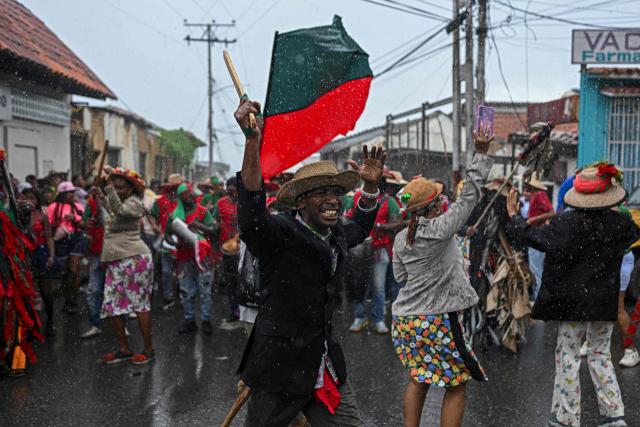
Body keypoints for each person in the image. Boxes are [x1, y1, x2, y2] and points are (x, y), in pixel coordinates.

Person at [235, 98, 385, 426]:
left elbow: (360, 225)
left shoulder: (337, 233)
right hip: (279, 367)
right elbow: (251, 220)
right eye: (321, 193)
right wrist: (251, 142)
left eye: (335, 192)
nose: (332, 199)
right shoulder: (280, 234)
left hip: (322, 360)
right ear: (301, 203)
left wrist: (371, 188)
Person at [505, 163, 639, 427]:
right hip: (603, 303)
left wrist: (513, 217)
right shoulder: (621, 223)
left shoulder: (566, 224)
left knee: (568, 354)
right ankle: (613, 415)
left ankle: (567, 416)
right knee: (600, 353)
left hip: (573, 304)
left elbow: (532, 238)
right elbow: (631, 235)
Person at [391, 128, 492, 427]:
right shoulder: (440, 228)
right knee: (456, 384)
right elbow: (470, 196)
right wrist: (481, 154)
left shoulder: (400, 239)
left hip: (407, 320)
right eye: (440, 200)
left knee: (418, 379)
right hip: (438, 318)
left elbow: (400, 277)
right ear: (435, 207)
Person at [93, 167, 155, 365]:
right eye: (115, 187)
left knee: (140, 305)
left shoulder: (136, 203)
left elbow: (119, 210)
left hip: (135, 258)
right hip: (115, 259)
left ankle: (148, 349)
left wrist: (108, 190)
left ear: (130, 188)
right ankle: (124, 349)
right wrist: (100, 197)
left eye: (120, 187)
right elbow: (113, 209)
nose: (117, 190)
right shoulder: (121, 199)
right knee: (111, 305)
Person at [348, 176, 404, 334]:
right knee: (359, 285)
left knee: (379, 287)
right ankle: (359, 317)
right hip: (360, 249)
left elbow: (398, 224)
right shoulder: (357, 197)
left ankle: (378, 319)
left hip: (380, 250)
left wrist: (379, 225)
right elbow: (350, 218)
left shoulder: (389, 201)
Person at [169, 183, 217, 335]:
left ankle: (206, 320)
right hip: (185, 257)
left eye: (191, 194)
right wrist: (175, 241)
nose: (190, 196)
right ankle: (189, 321)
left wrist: (199, 227)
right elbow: (167, 235)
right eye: (186, 194)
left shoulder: (202, 211)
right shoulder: (175, 216)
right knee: (187, 291)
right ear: (180, 198)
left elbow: (214, 229)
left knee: (205, 290)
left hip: (203, 257)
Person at [21, 185, 58, 337]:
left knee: (46, 292)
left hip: (41, 254)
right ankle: (31, 325)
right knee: (28, 292)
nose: (30, 201)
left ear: (37, 200)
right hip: (26, 256)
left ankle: (50, 322)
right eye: (26, 198)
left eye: (33, 198)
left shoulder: (43, 216)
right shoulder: (19, 216)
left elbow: (49, 239)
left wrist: (51, 256)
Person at [47, 181, 85, 314]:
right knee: (64, 272)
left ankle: (74, 300)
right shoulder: (52, 207)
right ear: (62, 194)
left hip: (77, 239)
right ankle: (67, 299)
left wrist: (74, 218)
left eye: (73, 192)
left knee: (74, 270)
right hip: (60, 241)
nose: (72, 194)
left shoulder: (77, 206)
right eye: (69, 192)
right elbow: (48, 226)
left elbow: (84, 225)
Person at [149, 174, 182, 310]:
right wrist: (154, 226)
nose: (174, 190)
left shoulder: (183, 201)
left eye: (177, 188)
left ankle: (182, 294)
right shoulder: (160, 201)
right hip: (165, 241)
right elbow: (152, 216)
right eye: (173, 187)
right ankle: (168, 297)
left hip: (181, 242)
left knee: (181, 271)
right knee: (166, 271)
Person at [79, 191, 107, 339]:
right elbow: (84, 222)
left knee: (117, 290)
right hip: (96, 252)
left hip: (115, 252)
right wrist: (85, 223)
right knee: (93, 290)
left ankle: (123, 324)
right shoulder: (91, 203)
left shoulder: (118, 202)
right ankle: (95, 324)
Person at [213, 177, 240, 321]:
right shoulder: (220, 203)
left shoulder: (245, 204)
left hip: (243, 249)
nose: (232, 195)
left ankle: (244, 310)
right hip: (226, 249)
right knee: (231, 281)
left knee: (242, 280)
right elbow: (214, 221)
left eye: (234, 191)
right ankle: (234, 310)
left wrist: (239, 233)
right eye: (229, 191)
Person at [524, 174, 554, 300]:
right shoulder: (534, 196)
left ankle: (539, 301)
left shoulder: (539, 195)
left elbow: (551, 212)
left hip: (537, 234)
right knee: (536, 270)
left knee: (536, 271)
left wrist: (532, 220)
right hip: (536, 234)